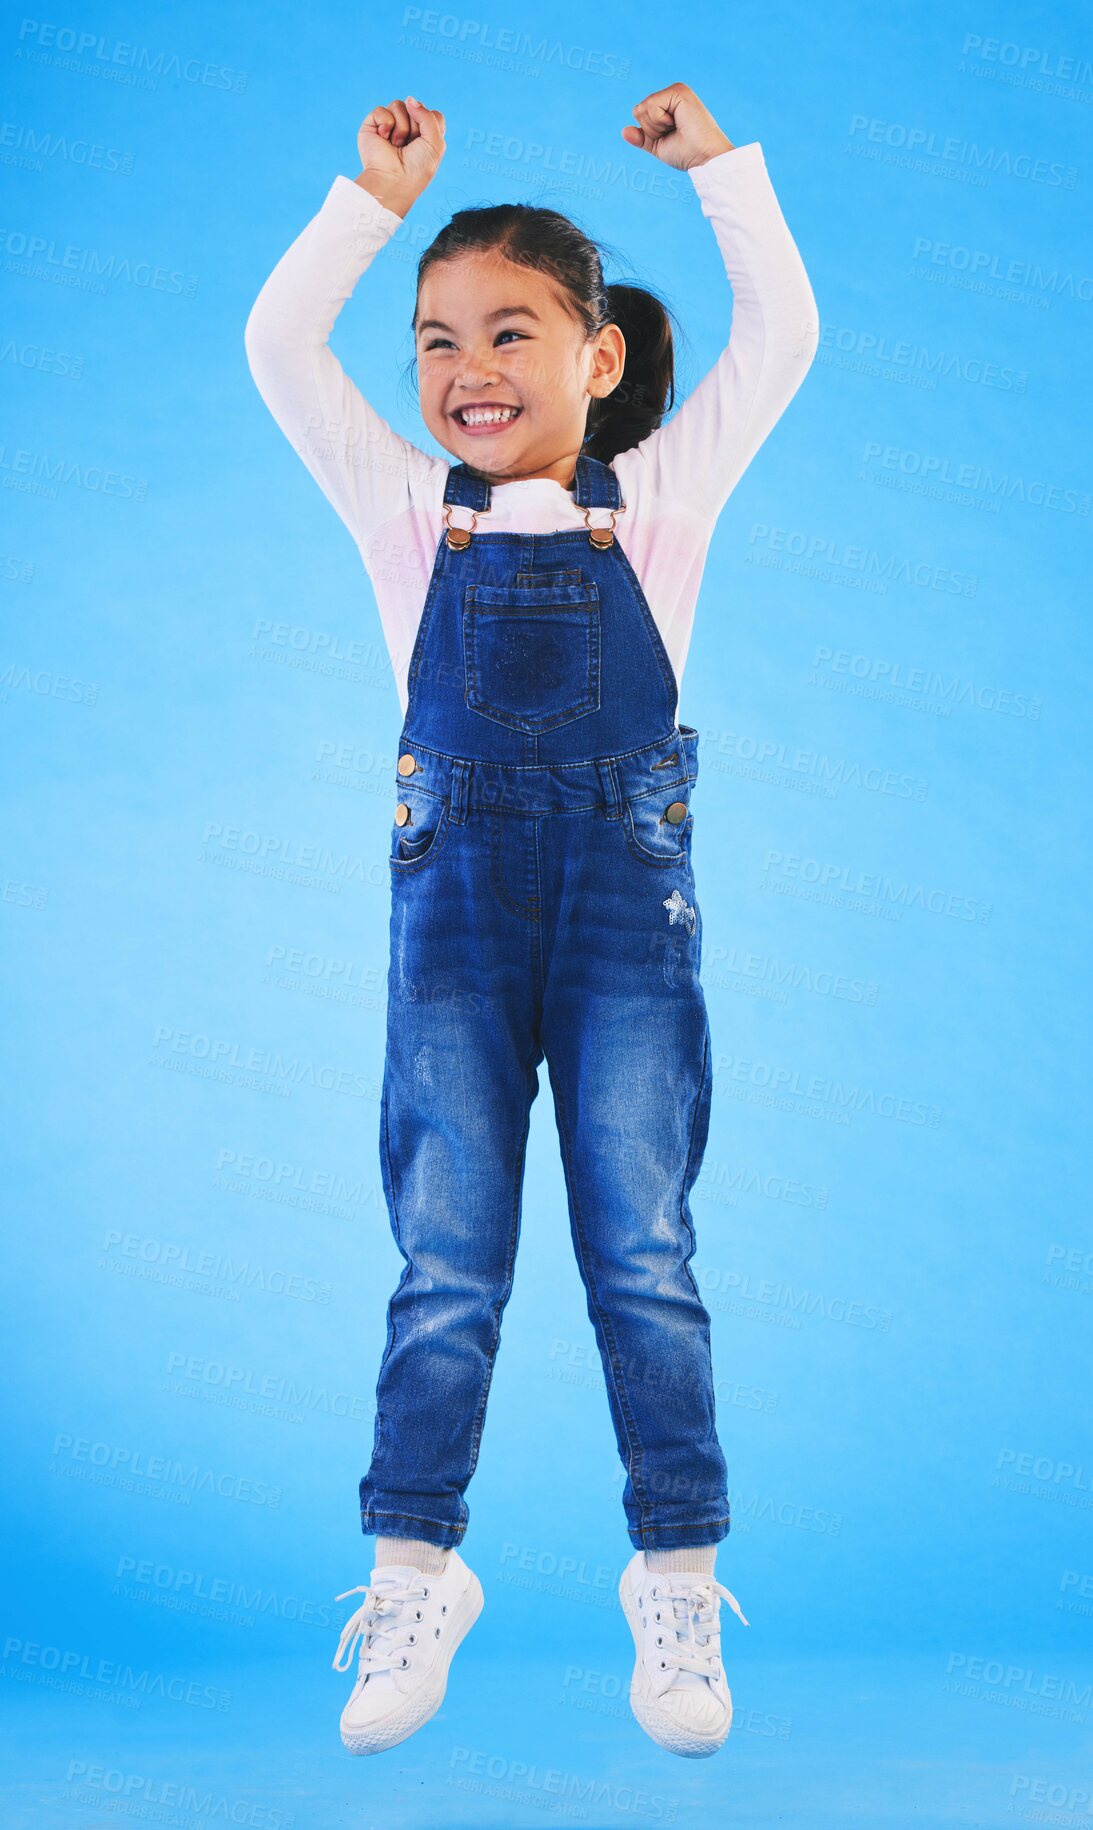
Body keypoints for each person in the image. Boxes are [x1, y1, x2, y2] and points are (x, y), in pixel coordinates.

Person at [244, 81, 818, 1761]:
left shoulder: (668, 503)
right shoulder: (399, 516)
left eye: (510, 331)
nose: (466, 369)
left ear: (599, 360)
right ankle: (415, 1568)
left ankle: (677, 1581)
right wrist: (366, 204)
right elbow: (284, 352)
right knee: (446, 1263)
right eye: (435, 341)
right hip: (458, 934)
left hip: (625, 927)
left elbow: (778, 334)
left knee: (643, 1256)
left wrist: (723, 174)